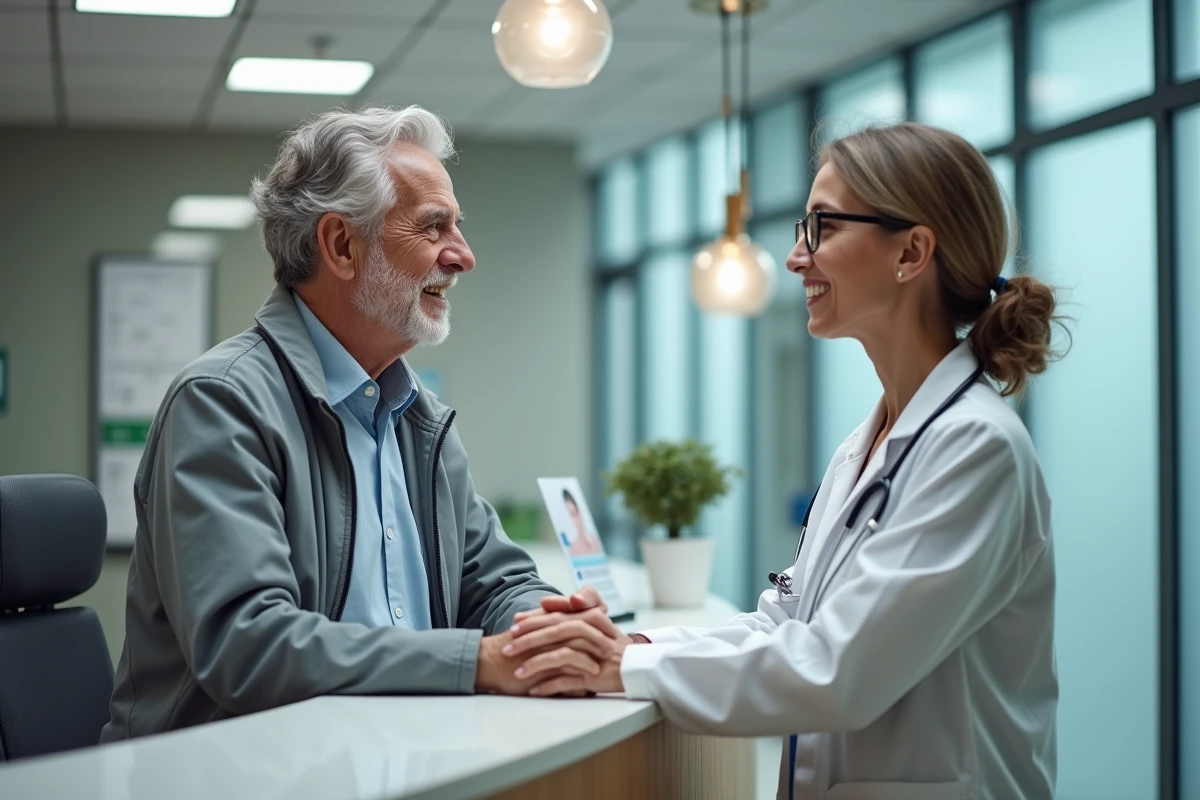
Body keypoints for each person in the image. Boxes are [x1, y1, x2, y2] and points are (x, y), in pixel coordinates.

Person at [502, 122, 1064, 800]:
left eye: (822, 228)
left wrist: (621, 667)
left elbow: (837, 671)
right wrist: (641, 649)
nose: (797, 257)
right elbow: (784, 626)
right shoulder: (867, 445)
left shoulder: (978, 449)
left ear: (911, 252)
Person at [101, 106, 600, 741]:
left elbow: (498, 581)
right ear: (341, 245)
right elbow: (249, 646)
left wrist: (553, 633)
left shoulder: (418, 416)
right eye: (434, 227)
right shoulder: (220, 402)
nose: (464, 256)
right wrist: (474, 663)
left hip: (391, 759)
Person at [561, 488, 602, 556]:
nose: (576, 520)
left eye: (576, 512)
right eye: (571, 515)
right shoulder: (573, 549)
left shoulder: (594, 540)